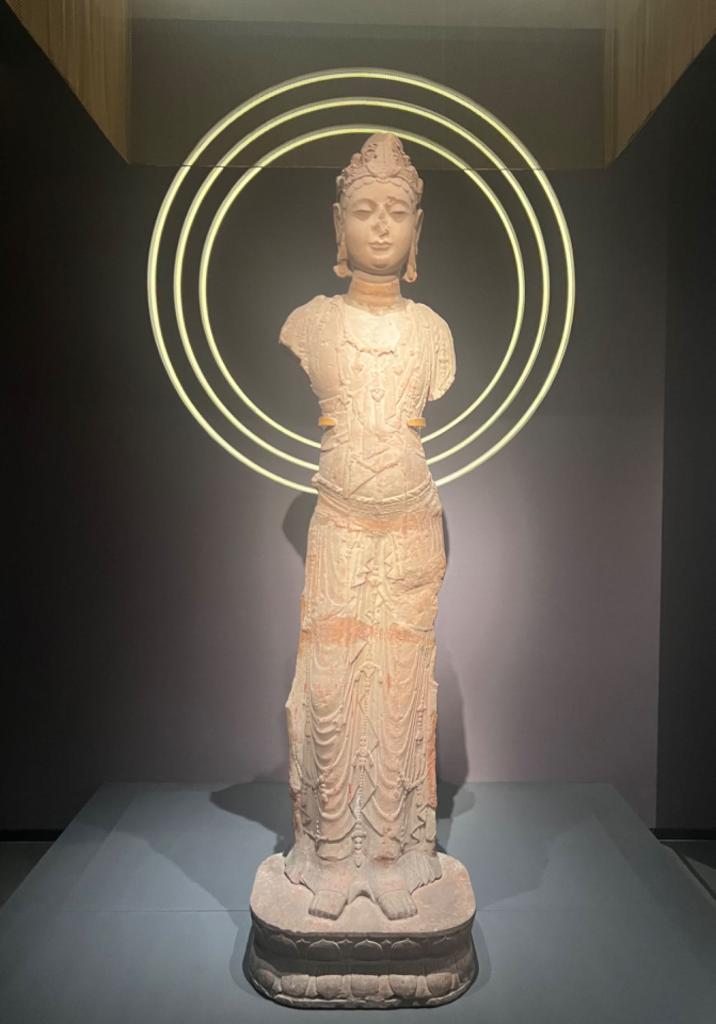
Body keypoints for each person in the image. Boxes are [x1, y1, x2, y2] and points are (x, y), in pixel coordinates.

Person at [279, 133, 456, 922]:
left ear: (418, 228)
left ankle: (390, 854)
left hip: (412, 525)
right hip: (341, 524)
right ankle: (326, 852)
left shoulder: (433, 332)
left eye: (397, 211)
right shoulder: (310, 324)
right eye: (363, 209)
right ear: (336, 223)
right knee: (329, 688)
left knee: (398, 690)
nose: (380, 225)